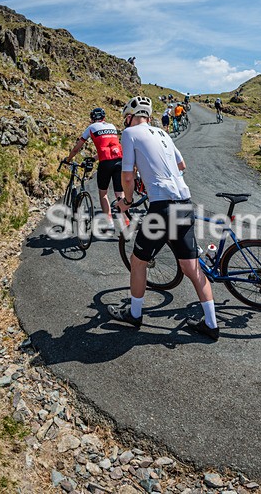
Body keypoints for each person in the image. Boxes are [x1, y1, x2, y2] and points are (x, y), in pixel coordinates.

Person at [111, 96, 218, 340]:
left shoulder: (129, 134)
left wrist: (127, 201)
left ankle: (134, 315)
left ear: (130, 116)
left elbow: (126, 177)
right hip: (184, 204)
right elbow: (182, 165)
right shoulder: (162, 133)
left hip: (163, 207)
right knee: (191, 267)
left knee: (138, 261)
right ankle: (211, 324)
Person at [64, 108, 123, 217]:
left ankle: (109, 223)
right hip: (119, 161)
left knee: (103, 194)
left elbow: (76, 149)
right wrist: (94, 158)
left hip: (105, 163)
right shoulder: (112, 126)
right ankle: (126, 222)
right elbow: (110, 149)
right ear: (103, 118)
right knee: (119, 194)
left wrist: (68, 159)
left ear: (92, 119)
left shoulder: (91, 128)